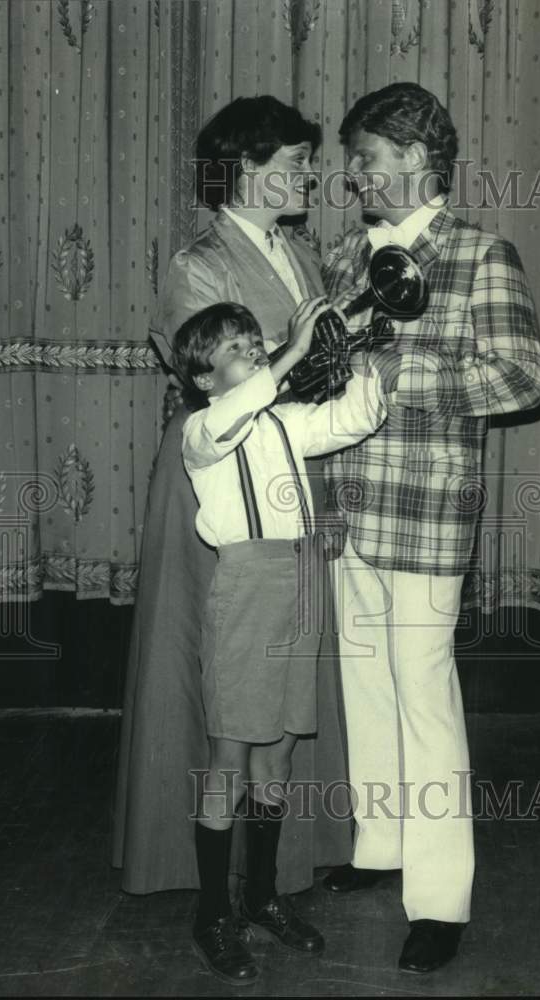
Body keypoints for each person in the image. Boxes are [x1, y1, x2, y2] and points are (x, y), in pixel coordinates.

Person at [321, 83, 540, 973]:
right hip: (349, 508)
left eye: (366, 160)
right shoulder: (347, 255)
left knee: (423, 695)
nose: (353, 176)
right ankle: (380, 847)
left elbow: (518, 380)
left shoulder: (481, 254)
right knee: (365, 685)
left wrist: (394, 371)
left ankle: (441, 898)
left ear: (416, 161)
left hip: (425, 512)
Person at [112, 98, 352, 905]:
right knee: (212, 675)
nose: (308, 174)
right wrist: (305, 351)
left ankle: (275, 877)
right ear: (244, 171)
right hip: (215, 490)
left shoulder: (299, 252)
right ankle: (196, 881)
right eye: (292, 161)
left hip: (292, 473)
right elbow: (224, 387)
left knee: (282, 690)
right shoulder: (199, 264)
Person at [173, 299, 387, 984]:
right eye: (234, 348)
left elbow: (351, 420)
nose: (253, 350)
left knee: (280, 749)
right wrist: (291, 354)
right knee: (229, 753)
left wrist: (366, 370)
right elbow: (234, 416)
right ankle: (212, 913)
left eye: (249, 339)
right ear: (203, 378)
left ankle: (260, 896)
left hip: (300, 580)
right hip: (246, 586)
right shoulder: (203, 428)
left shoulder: (281, 421)